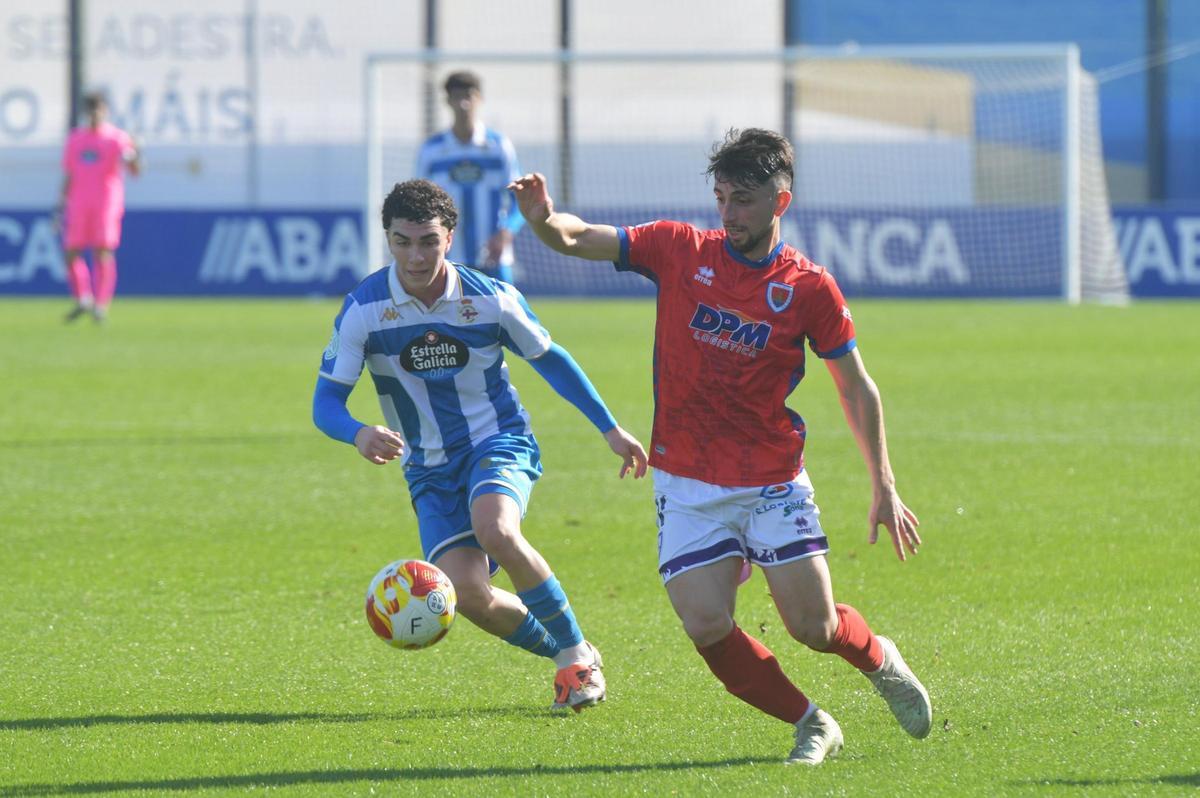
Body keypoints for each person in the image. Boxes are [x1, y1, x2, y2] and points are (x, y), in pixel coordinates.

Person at [509, 128, 932, 764]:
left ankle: (880, 659)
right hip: (686, 482)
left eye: (744, 200)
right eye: (722, 198)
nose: (729, 214)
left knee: (813, 629)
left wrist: (885, 485)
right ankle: (812, 723)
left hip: (770, 479)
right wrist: (543, 218)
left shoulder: (811, 288)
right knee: (706, 623)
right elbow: (577, 236)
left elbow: (856, 387)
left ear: (780, 202)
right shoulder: (679, 248)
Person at [313, 178, 648, 712]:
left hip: (498, 442)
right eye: (403, 242)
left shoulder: (488, 298)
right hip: (428, 469)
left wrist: (610, 429)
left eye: (428, 241)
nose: (416, 256)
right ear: (388, 239)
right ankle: (574, 651)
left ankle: (575, 665)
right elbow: (325, 403)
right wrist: (357, 432)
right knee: (467, 595)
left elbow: (551, 359)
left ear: (450, 237)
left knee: (496, 530)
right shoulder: (365, 309)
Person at [416, 70, 523, 284]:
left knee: (509, 314)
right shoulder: (431, 150)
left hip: (494, 257)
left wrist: (506, 232)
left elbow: (518, 200)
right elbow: (419, 204)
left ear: (479, 99)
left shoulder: (498, 146)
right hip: (448, 257)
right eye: (457, 97)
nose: (464, 104)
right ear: (448, 101)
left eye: (469, 96)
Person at [59, 91, 141, 323]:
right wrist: (60, 204)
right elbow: (69, 174)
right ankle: (83, 298)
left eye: (99, 108)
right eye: (91, 109)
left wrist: (136, 155)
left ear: (105, 111)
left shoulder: (116, 139)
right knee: (71, 252)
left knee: (102, 251)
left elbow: (134, 170)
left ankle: (101, 304)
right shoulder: (76, 139)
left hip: (106, 203)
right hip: (78, 203)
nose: (95, 113)